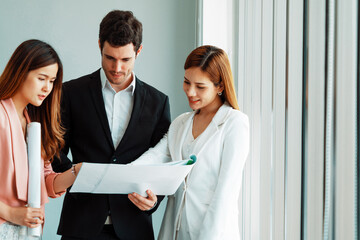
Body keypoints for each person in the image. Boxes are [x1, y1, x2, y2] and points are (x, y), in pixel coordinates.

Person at [51, 10, 171, 240]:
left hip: (134, 226)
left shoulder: (158, 102)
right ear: (99, 46)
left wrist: (153, 200)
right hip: (81, 225)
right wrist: (78, 176)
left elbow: (162, 159)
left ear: (139, 51)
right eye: (110, 58)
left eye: (126, 59)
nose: (117, 68)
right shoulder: (71, 93)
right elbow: (55, 151)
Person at [129, 45, 250, 239]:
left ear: (220, 86)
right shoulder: (181, 123)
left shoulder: (234, 123)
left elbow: (225, 192)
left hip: (212, 232)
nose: (190, 92)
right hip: (176, 230)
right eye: (187, 82)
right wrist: (122, 175)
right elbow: (156, 155)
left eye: (200, 87)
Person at [0, 39, 83, 239]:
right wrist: (11, 213)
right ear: (21, 72)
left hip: (27, 231)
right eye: (42, 78)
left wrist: (77, 172)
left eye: (52, 81)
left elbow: (45, 181)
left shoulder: (35, 124)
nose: (47, 87)